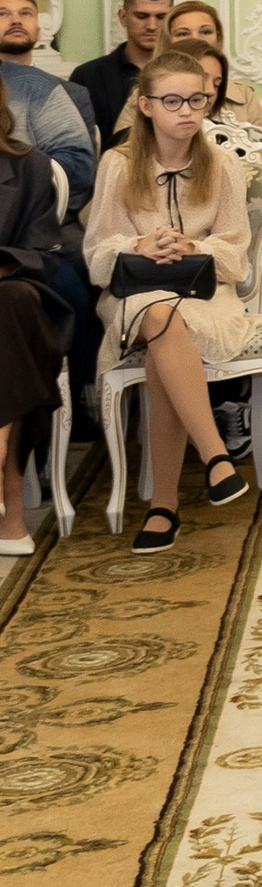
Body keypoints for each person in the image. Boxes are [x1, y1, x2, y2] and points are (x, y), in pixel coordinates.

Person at [82, 49, 253, 552]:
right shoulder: (117, 164)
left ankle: (164, 507)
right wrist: (139, 244)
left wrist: (191, 245)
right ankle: (216, 456)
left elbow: (236, 252)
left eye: (197, 99)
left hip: (205, 295)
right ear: (146, 105)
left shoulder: (221, 164)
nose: (187, 111)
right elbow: (96, 251)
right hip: (133, 293)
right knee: (157, 313)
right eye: (173, 100)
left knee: (164, 336)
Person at [0, 85, 79, 556]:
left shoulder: (27, 165)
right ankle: (11, 504)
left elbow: (43, 253)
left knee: (12, 306)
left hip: (13, 293)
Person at [0, 0, 97, 206]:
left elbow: (81, 169)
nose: (16, 20)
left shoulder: (70, 92)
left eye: (25, 13)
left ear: (38, 30)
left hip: (43, 213)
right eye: (2, 14)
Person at [68, 0, 173, 149]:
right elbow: (79, 144)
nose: (152, 25)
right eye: (141, 16)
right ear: (123, 17)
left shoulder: (187, 73)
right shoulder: (88, 76)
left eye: (161, 17)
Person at [166, 3, 262, 134]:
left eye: (206, 32)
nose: (196, 39)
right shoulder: (150, 93)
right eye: (183, 33)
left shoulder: (243, 94)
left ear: (218, 37)